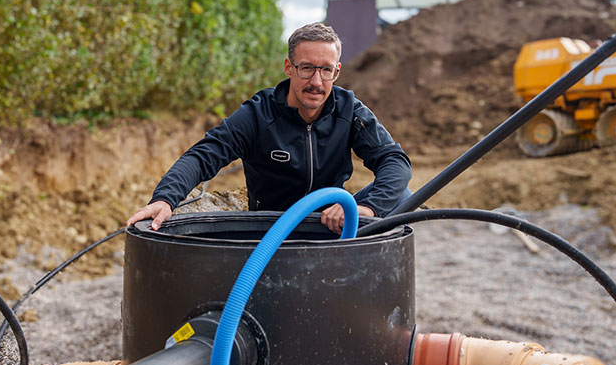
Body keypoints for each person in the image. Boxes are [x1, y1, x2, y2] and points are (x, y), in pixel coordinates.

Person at [127, 22, 411, 234]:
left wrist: (365, 208)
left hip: (328, 224)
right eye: (306, 68)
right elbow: (204, 155)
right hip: (269, 228)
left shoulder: (348, 109)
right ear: (289, 67)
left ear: (336, 71)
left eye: (326, 70)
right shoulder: (258, 114)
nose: (317, 82)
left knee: (403, 195)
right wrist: (165, 198)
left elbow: (394, 161)